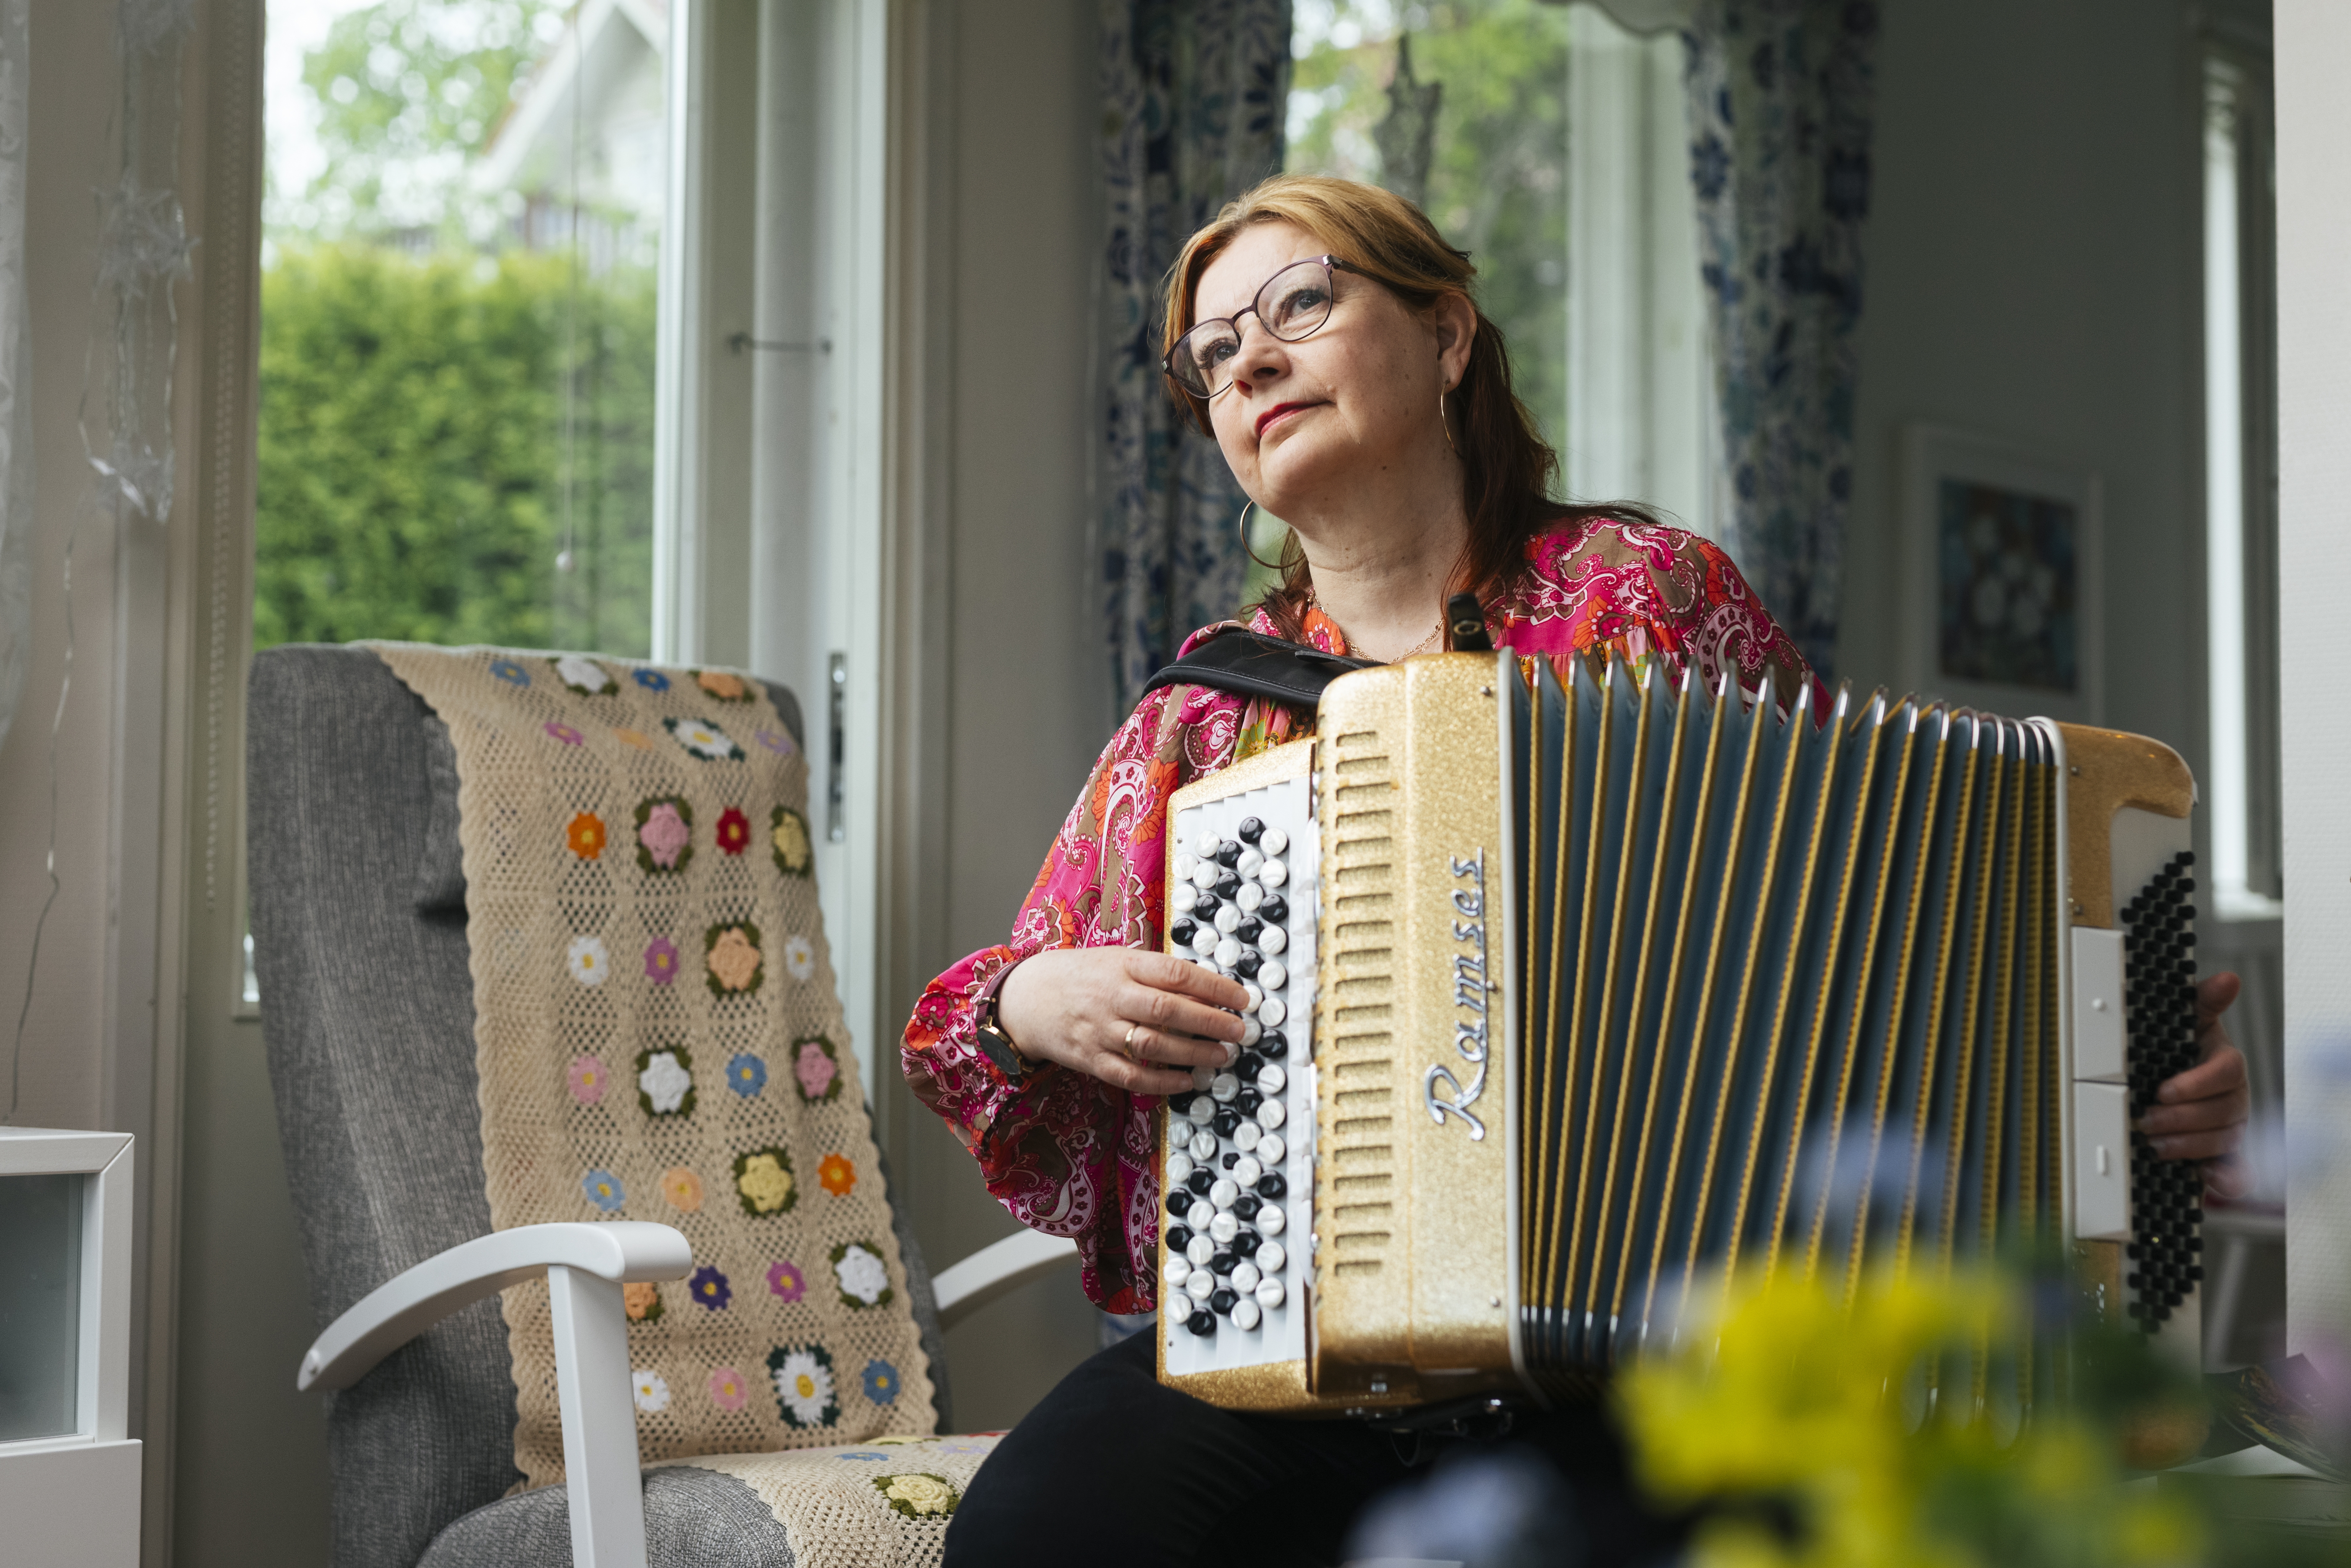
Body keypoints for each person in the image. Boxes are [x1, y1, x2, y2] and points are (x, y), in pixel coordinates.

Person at [902, 174, 2250, 1568]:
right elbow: (963, 1025)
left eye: (1299, 301)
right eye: (1211, 353)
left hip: (1649, 1354)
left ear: (1446, 337)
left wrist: (2124, 1071)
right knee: (1040, 1526)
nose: (1247, 357)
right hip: (1300, 1345)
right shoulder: (1196, 721)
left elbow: (1874, 932)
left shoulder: (1648, 597)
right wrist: (1039, 997)